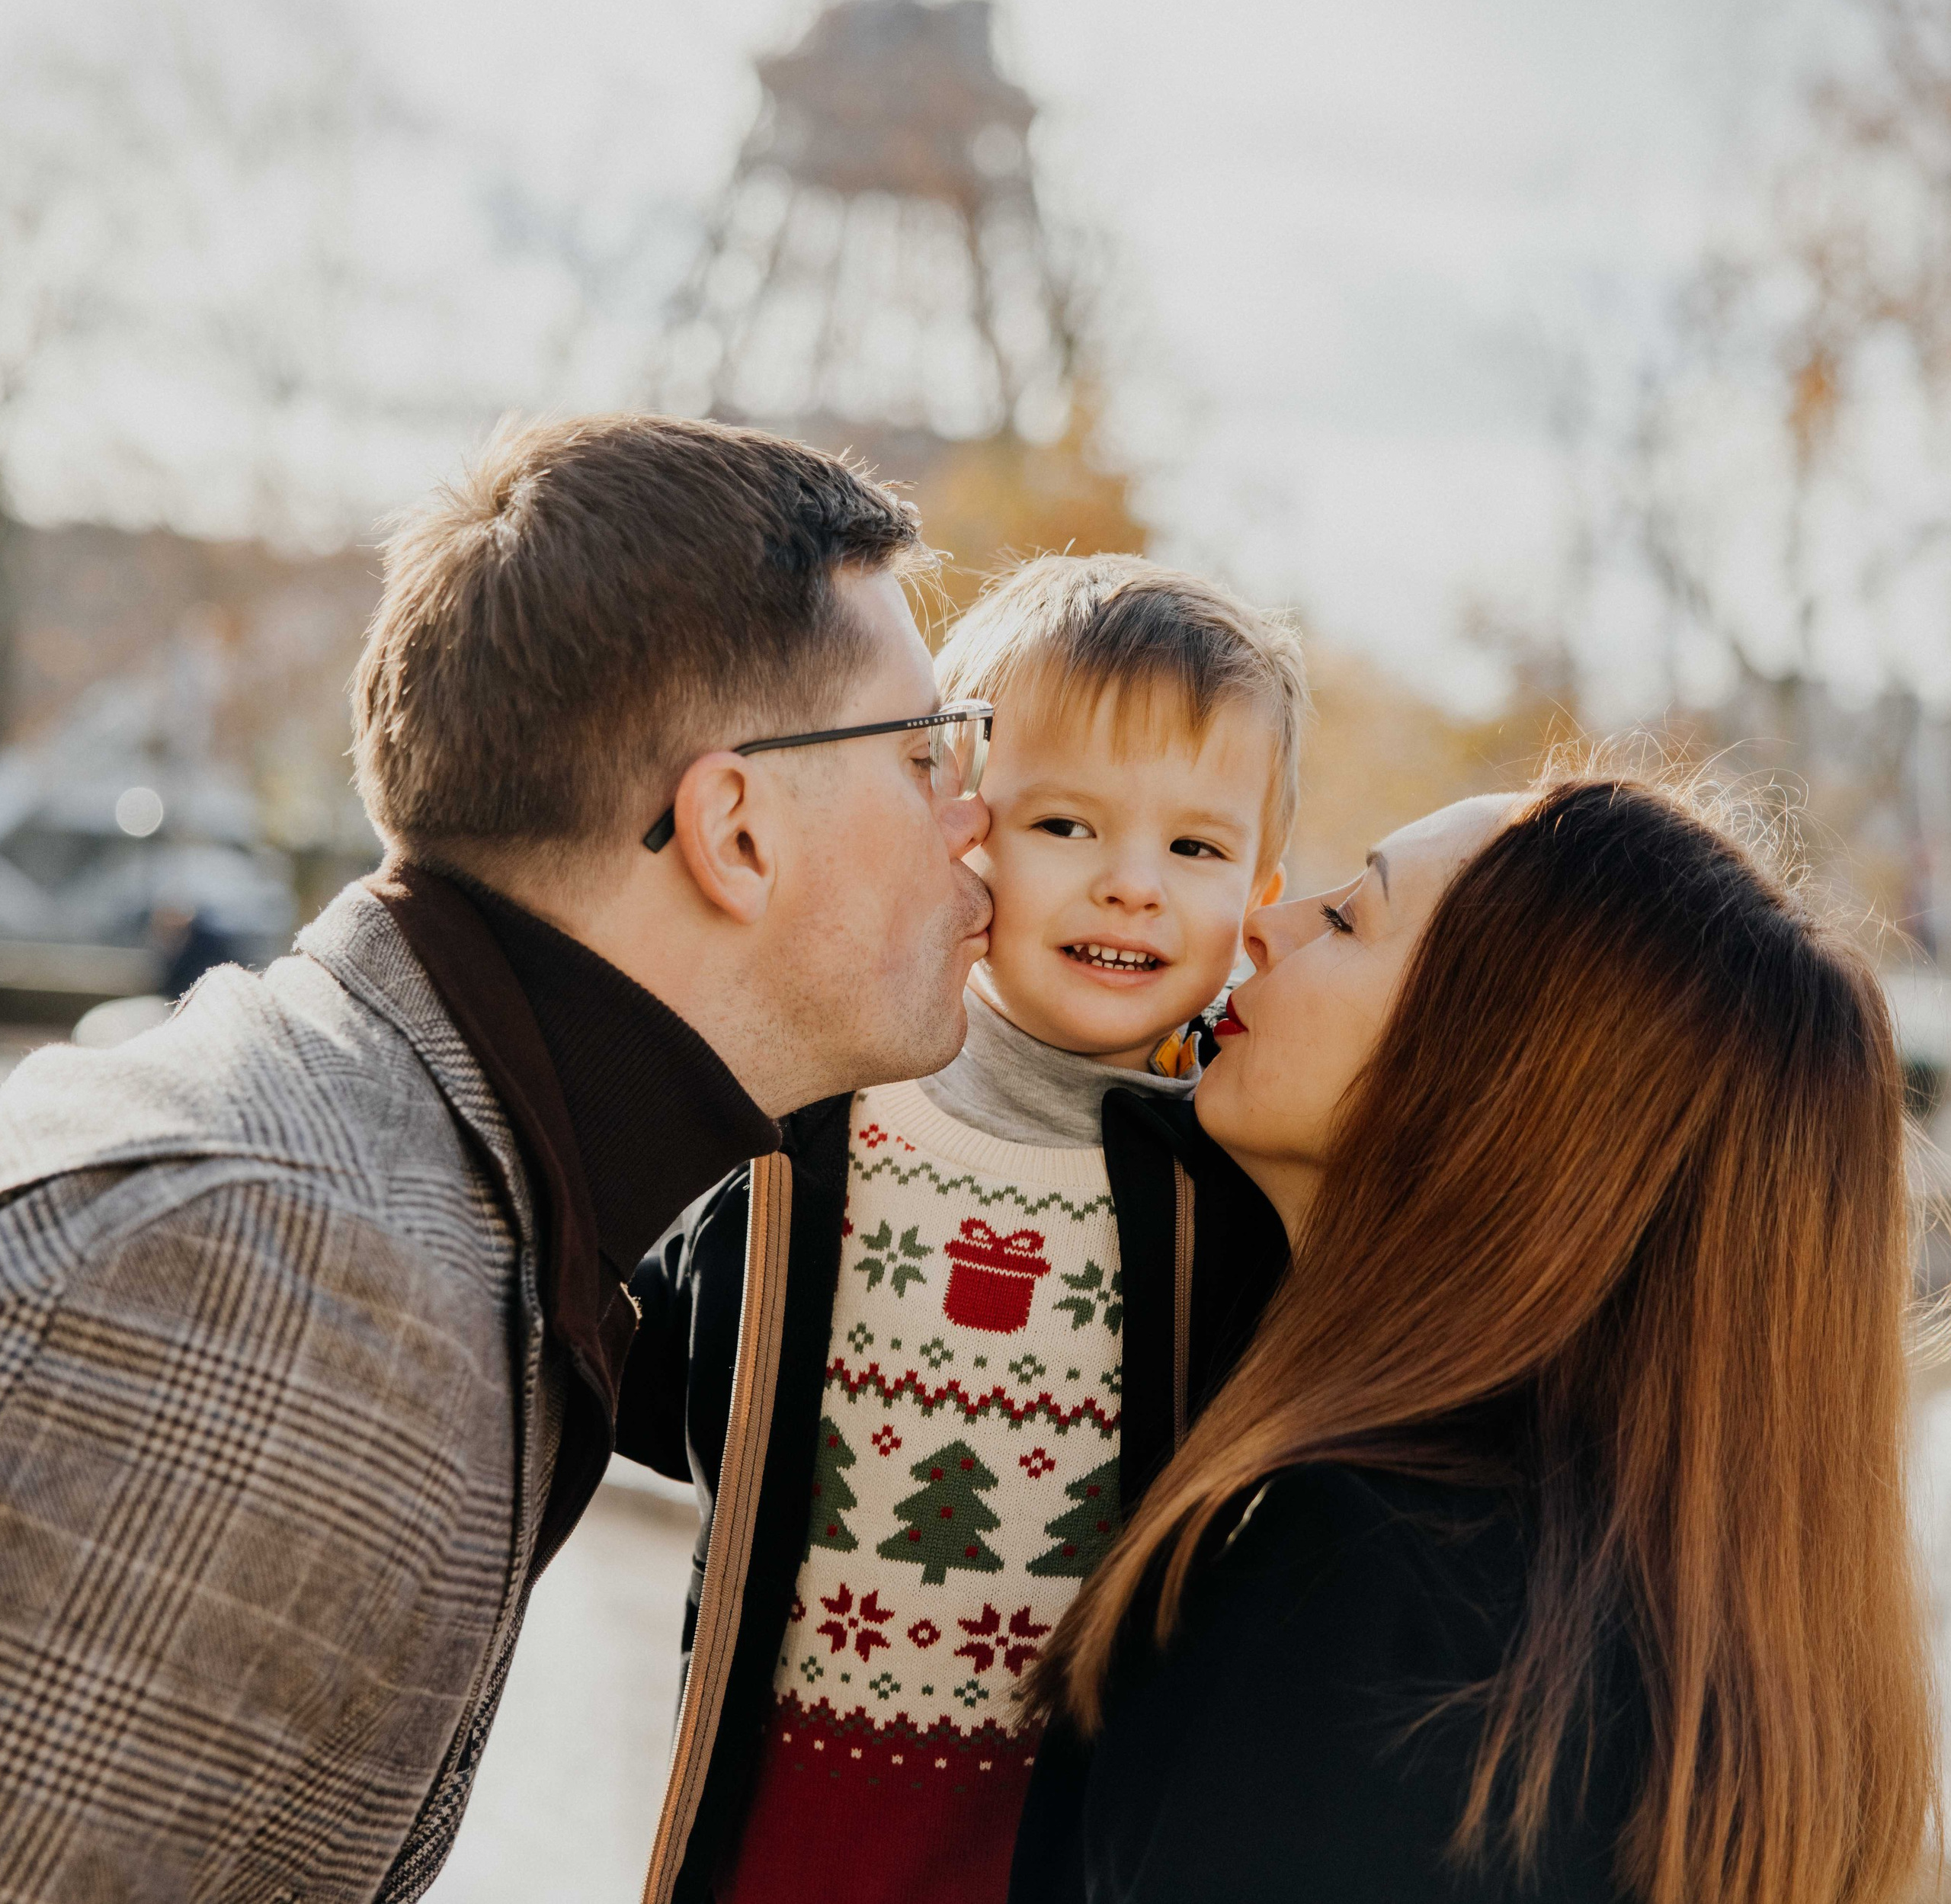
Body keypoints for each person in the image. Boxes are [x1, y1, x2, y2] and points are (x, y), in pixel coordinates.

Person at [0, 414, 992, 1903]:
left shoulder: (388, 1174)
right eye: (924, 751)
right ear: (733, 827)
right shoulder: (293, 1277)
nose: (975, 818)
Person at [1012, 775, 1937, 1904]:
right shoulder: (1681, 1635)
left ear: (1497, 1086)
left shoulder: (1369, 1586)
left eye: (1352, 916)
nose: (1266, 920)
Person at [617, 554, 1305, 1904]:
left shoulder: (1228, 1197)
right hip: (779, 1816)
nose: (1132, 886)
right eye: (1066, 827)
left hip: (1047, 1848)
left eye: (1196, 847)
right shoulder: (818, 1122)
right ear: (960, 825)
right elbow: (639, 1366)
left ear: (1261, 897)